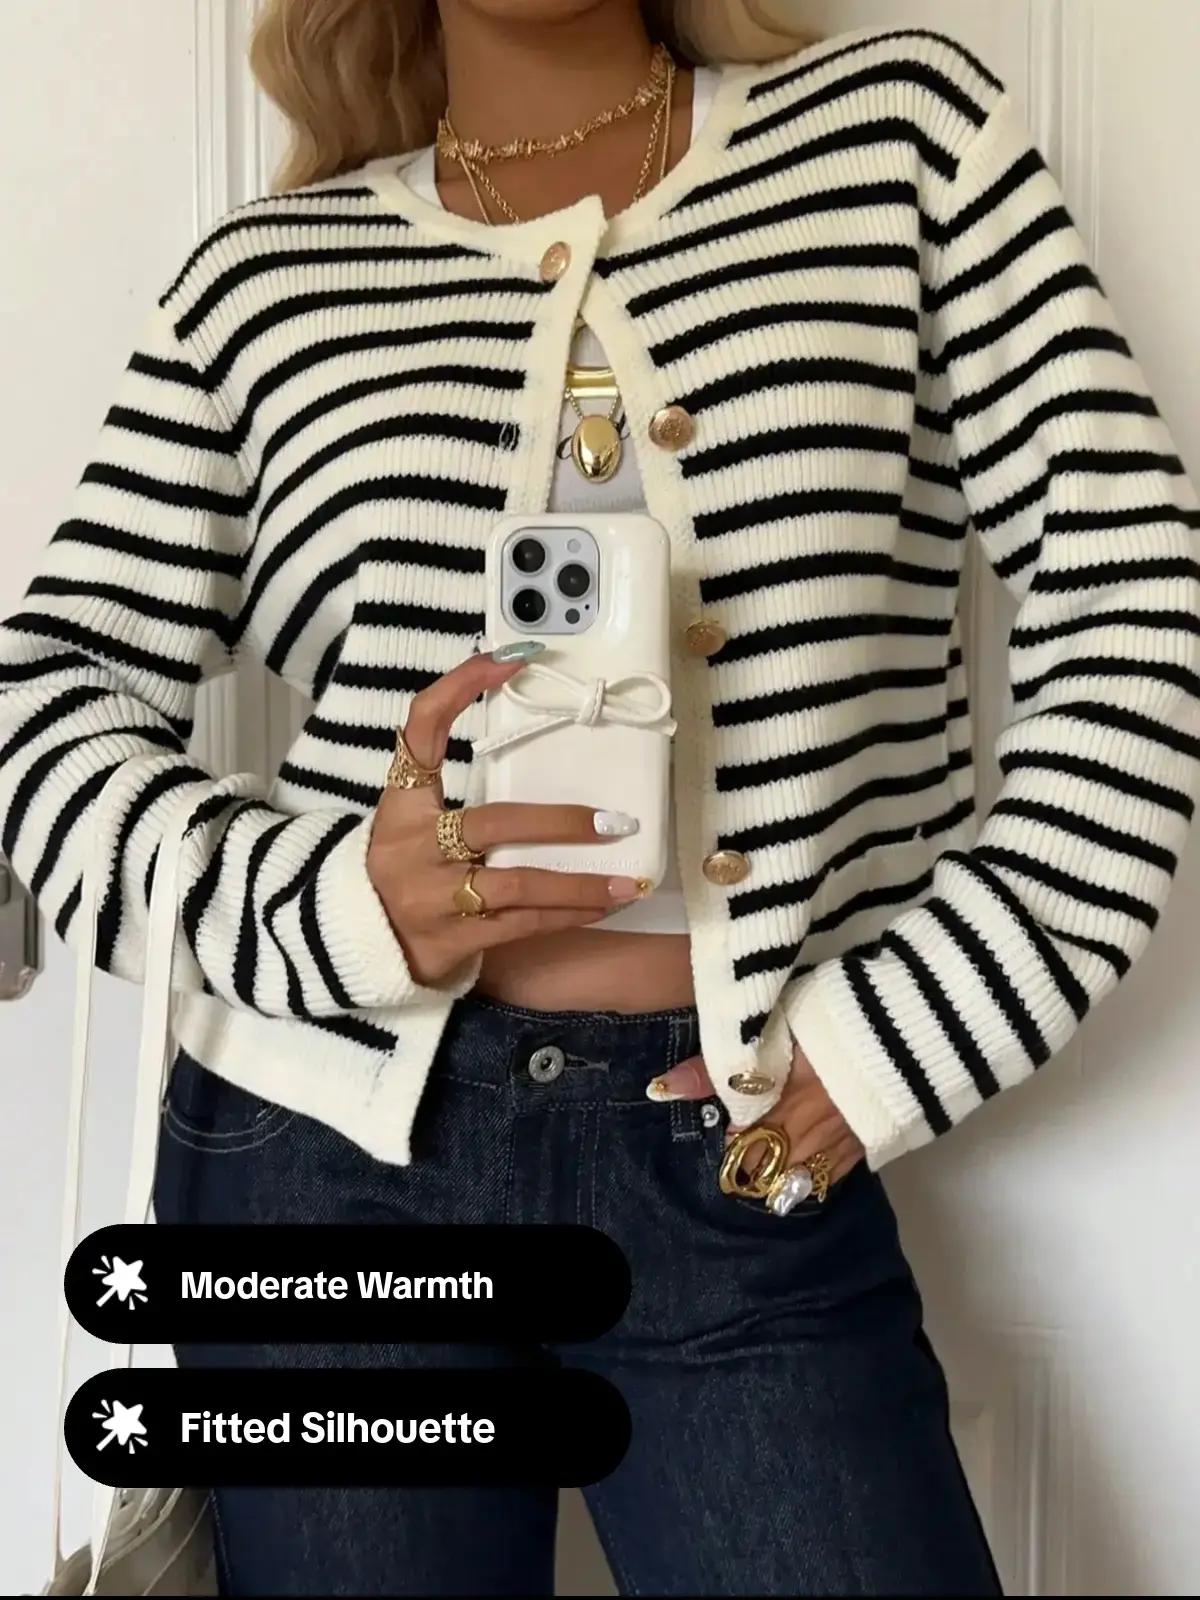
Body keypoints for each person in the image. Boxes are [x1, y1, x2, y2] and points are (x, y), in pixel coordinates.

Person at [3, 0, 1198, 1593]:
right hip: (317, 1168)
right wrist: (330, 908)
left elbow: (1132, 594)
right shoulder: (264, 278)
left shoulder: (900, 140)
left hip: (743, 1152)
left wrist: (905, 1033)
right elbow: (46, 701)